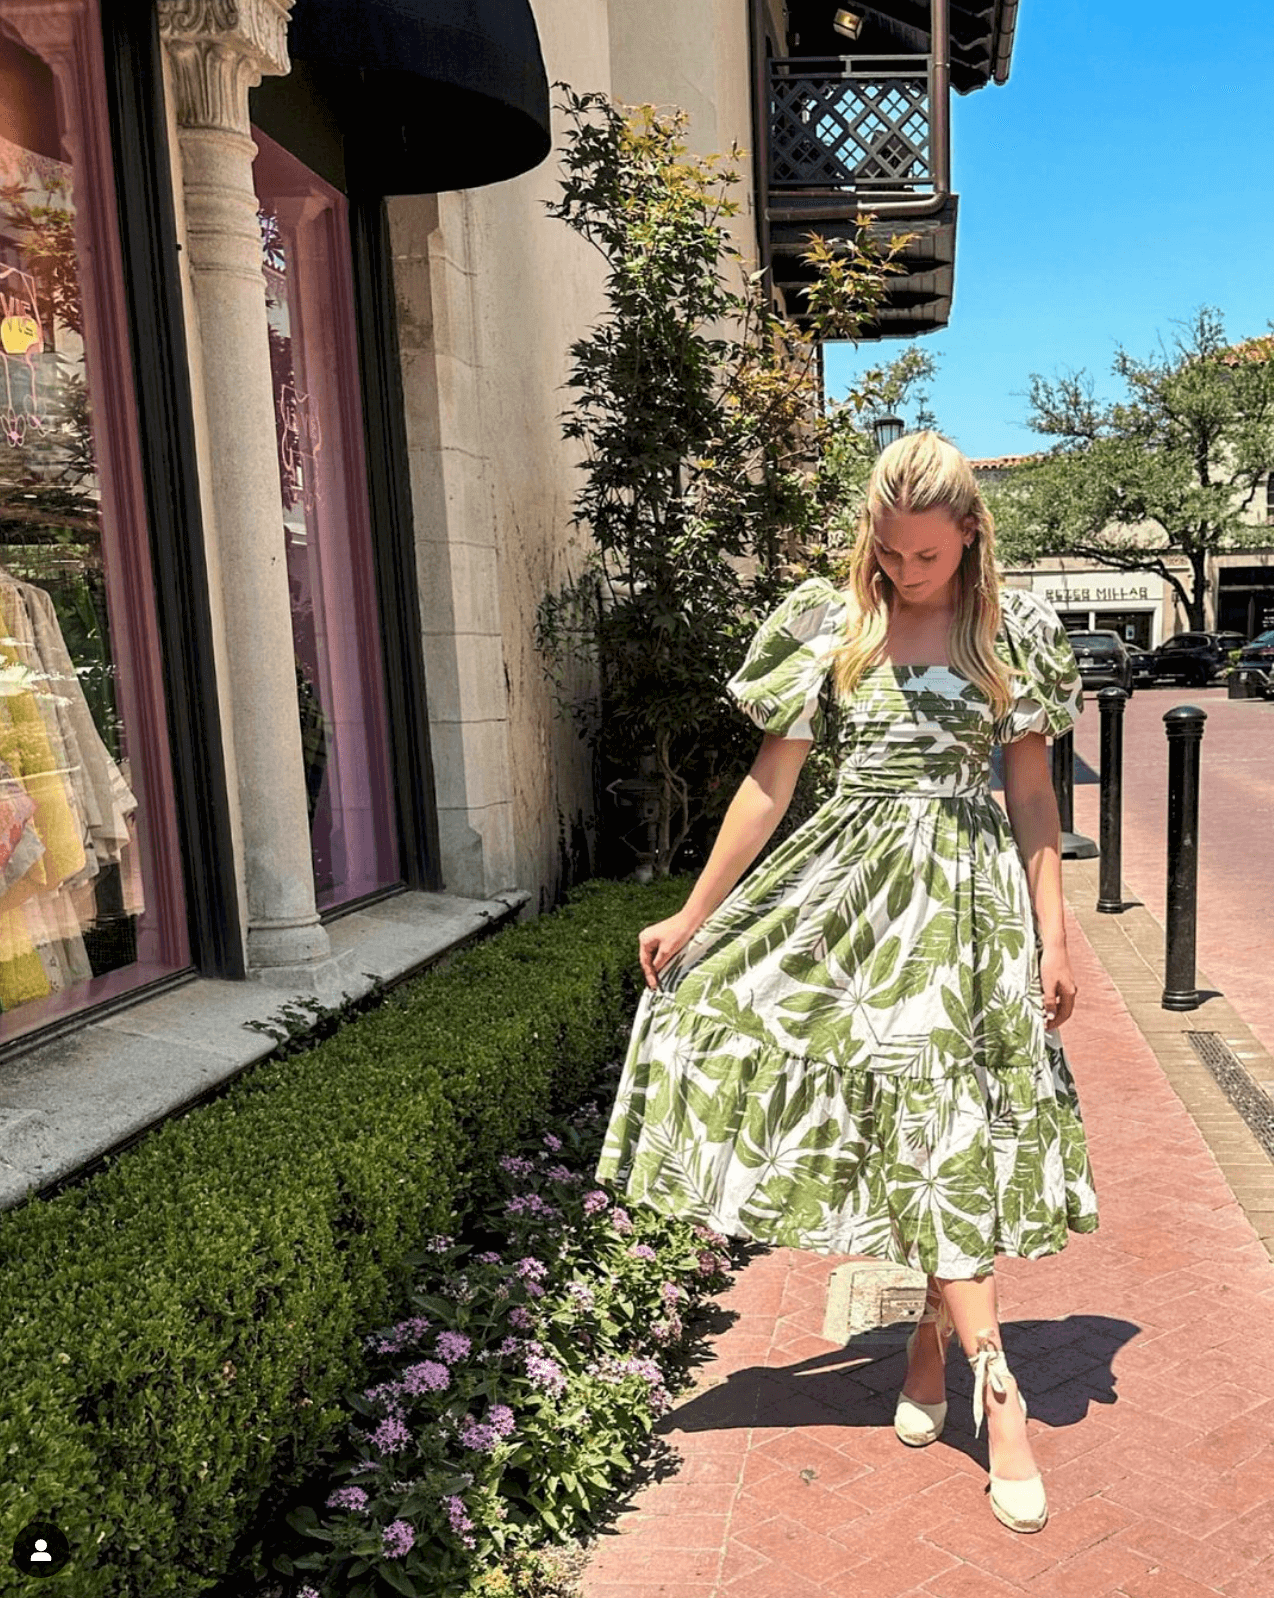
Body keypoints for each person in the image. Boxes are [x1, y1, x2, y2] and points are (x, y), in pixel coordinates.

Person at [594, 430, 1099, 1534]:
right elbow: (767, 788)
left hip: (962, 918)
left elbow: (1029, 804)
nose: (904, 573)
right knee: (913, 1125)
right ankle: (954, 1354)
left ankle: (982, 1380)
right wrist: (694, 912)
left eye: (923, 555)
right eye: (888, 552)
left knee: (949, 1125)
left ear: (969, 534)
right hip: (847, 909)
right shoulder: (831, 624)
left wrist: (1050, 936)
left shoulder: (1013, 634)